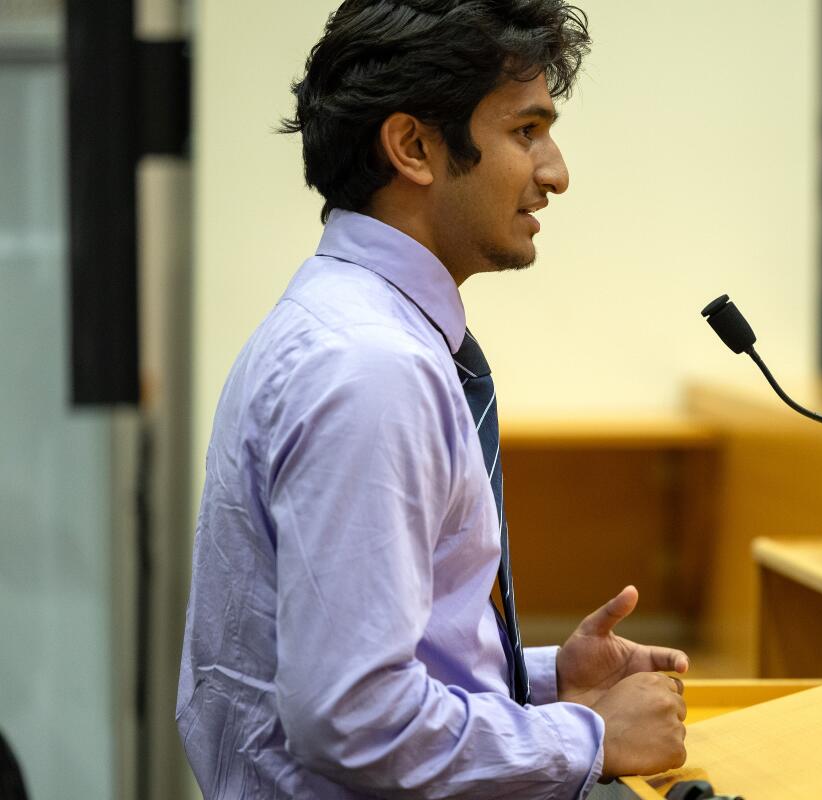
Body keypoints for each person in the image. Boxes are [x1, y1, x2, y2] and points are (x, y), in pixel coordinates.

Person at [176, 1, 689, 797]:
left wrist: (545, 677)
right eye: (526, 132)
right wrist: (586, 737)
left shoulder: (344, 324)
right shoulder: (370, 368)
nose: (554, 171)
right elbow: (352, 718)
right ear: (413, 146)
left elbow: (367, 657)